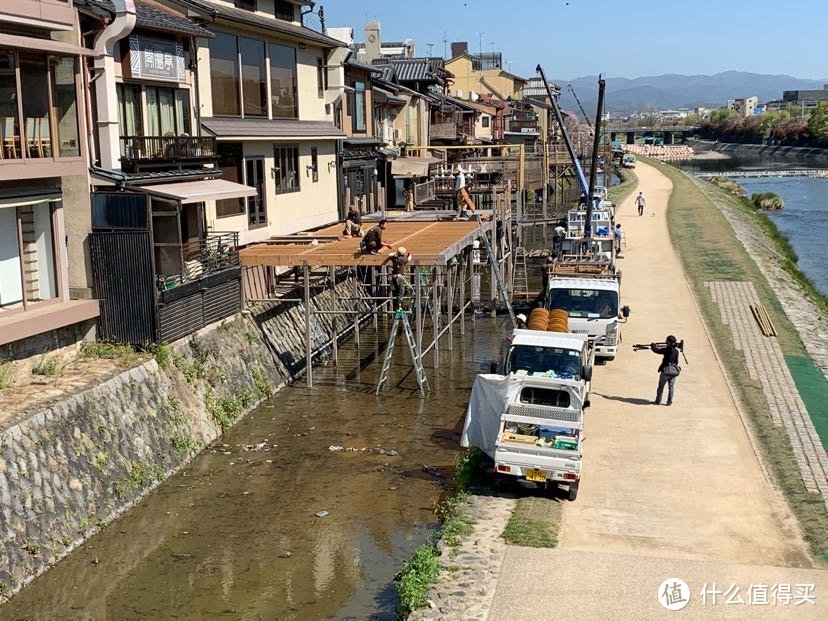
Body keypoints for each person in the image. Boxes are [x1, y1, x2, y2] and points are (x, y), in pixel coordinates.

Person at [651, 335, 680, 406]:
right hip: (673, 371)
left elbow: (657, 350)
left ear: (668, 342)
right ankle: (669, 402)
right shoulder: (676, 351)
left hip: (666, 371)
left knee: (661, 387)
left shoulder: (667, 349)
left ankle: (658, 401)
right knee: (671, 387)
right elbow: (676, 362)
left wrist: (653, 346)